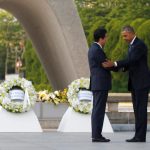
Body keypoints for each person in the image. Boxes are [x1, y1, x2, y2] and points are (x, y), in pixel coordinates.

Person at [102, 25, 150, 142]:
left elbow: (132, 60)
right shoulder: (132, 45)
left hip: (141, 82)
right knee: (137, 109)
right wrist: (118, 67)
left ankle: (140, 136)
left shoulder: (139, 45)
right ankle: (138, 136)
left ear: (132, 33)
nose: (124, 38)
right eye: (123, 36)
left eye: (125, 36)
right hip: (135, 83)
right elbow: (131, 63)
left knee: (140, 110)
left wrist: (115, 64)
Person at [88, 27, 117, 142]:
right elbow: (106, 64)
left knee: (98, 109)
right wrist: (117, 65)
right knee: (98, 110)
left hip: (97, 83)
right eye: (106, 37)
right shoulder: (97, 50)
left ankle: (96, 134)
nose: (107, 39)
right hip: (100, 84)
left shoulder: (93, 48)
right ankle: (97, 135)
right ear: (101, 38)